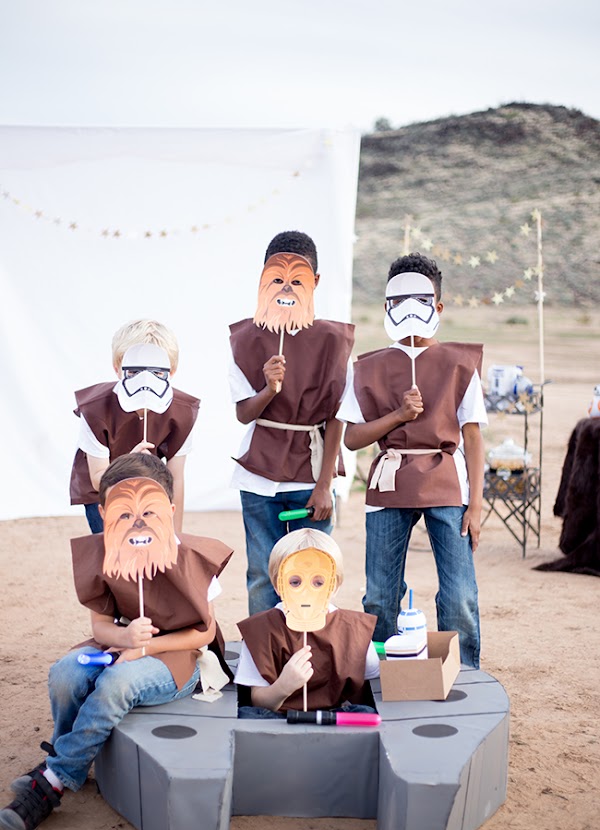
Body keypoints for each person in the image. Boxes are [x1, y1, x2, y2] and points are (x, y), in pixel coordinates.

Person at [0, 453, 233, 830]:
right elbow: (101, 627)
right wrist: (126, 639)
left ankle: (54, 780)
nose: (137, 521)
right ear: (104, 511)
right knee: (66, 673)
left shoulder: (193, 557)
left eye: (149, 510)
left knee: (116, 684)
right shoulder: (104, 553)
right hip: (122, 642)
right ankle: (60, 756)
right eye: (124, 511)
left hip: (177, 656)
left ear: (170, 508)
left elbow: (204, 634)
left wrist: (144, 649)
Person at [338, 253, 487, 668]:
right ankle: (384, 672)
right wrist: (398, 416)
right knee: (379, 594)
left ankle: (464, 673)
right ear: (387, 306)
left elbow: (473, 437)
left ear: (437, 306)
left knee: (459, 593)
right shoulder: (367, 368)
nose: (409, 309)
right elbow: (352, 438)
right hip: (389, 482)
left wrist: (476, 504)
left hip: (446, 483)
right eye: (399, 301)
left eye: (419, 301)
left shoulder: (459, 364)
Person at [229, 231, 355, 615]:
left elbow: (336, 416)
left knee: (313, 572)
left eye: (297, 279)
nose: (286, 287)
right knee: (261, 573)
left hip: (310, 476)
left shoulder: (334, 340)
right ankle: (264, 651)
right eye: (276, 277)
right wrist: (269, 389)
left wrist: (325, 485)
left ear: (315, 281)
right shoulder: (246, 337)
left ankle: (309, 649)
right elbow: (244, 414)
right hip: (258, 477)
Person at [69, 318, 199, 534]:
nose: (145, 380)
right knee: (113, 547)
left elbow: (175, 478)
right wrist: (128, 468)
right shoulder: (95, 408)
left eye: (157, 372)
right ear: (117, 369)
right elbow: (98, 477)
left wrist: (175, 536)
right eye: (134, 371)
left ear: (171, 371)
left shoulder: (182, 412)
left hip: (150, 488)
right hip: (104, 490)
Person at [234, 529, 379, 717]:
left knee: (366, 713)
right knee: (247, 714)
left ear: (334, 586)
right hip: (280, 718)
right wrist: (283, 686)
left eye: (318, 583)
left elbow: (373, 688)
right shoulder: (260, 631)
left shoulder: (354, 630)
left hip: (334, 718)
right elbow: (257, 701)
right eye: (295, 582)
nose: (306, 592)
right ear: (278, 585)